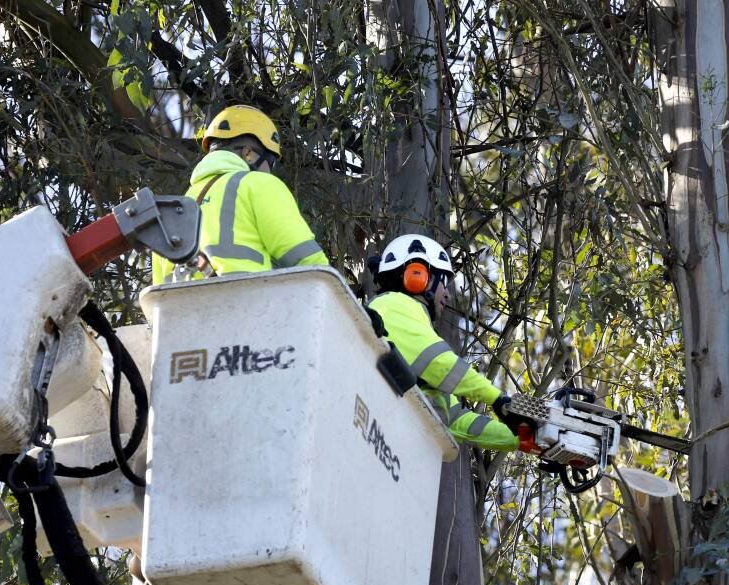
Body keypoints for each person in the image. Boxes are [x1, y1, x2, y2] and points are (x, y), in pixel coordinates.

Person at [367, 234, 525, 451]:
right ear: (418, 275)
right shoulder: (391, 304)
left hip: (385, 442)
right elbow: (439, 363)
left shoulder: (414, 323)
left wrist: (522, 438)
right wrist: (497, 399)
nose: (448, 295)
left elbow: (456, 420)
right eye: (444, 282)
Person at [151, 105, 329, 285]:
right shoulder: (258, 185)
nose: (271, 170)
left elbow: (159, 294)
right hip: (249, 306)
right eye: (271, 162)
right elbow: (309, 262)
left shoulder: (171, 211)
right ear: (248, 154)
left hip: (183, 312)